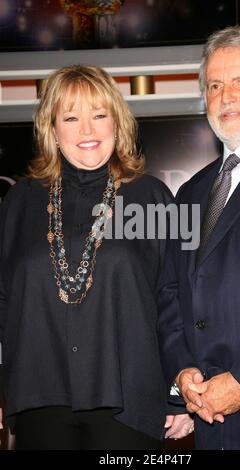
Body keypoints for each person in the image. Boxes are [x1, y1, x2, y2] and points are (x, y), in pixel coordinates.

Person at [0, 65, 193, 450]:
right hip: (41, 400)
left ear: (117, 124)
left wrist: (179, 393)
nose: (86, 130)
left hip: (129, 402)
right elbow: (4, 302)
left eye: (98, 115)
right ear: (52, 130)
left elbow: (177, 301)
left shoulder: (154, 197)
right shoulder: (19, 201)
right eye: (71, 117)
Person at [157, 26, 240, 450]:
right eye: (214, 85)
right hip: (209, 419)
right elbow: (170, 291)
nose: (225, 96)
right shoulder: (192, 192)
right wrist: (182, 374)